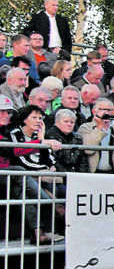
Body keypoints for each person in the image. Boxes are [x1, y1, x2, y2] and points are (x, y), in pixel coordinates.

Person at [0, 98, 60, 243]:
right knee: (20, 171)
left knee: (19, 190)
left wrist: (41, 140)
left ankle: (37, 232)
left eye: (8, 112)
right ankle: (50, 205)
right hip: (6, 172)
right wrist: (41, 143)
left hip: (6, 173)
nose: (6, 115)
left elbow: (50, 162)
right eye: (1, 111)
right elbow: (10, 149)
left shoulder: (5, 131)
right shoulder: (13, 133)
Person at [78, 98, 114, 174]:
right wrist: (99, 127)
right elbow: (88, 150)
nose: (106, 113)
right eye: (102, 110)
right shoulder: (86, 127)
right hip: (93, 173)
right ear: (94, 111)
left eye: (109, 110)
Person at [45, 108, 88, 173]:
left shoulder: (78, 137)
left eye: (72, 122)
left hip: (77, 176)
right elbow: (54, 161)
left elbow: (83, 160)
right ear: (57, 122)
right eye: (65, 121)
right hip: (59, 176)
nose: (69, 124)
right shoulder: (49, 137)